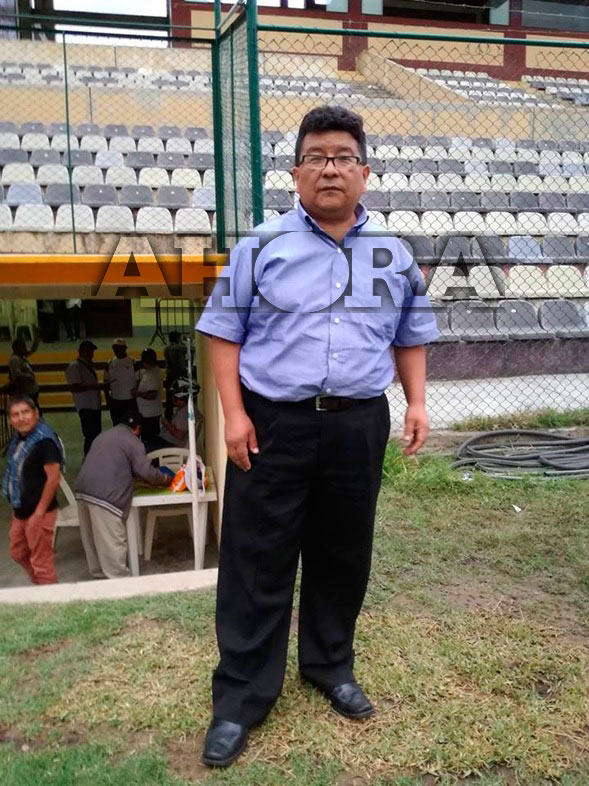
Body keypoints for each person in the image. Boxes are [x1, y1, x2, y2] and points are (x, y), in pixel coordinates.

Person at [196, 105, 439, 767]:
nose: (330, 168)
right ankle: (241, 696)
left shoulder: (393, 254)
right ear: (296, 171)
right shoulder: (260, 247)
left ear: (365, 172)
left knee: (342, 550)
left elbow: (410, 336)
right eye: (316, 157)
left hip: (358, 423)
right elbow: (222, 334)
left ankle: (329, 664)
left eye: (342, 157)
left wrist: (417, 402)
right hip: (272, 423)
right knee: (256, 556)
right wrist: (234, 415)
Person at [74, 410, 171, 579]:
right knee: (112, 547)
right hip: (105, 497)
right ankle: (121, 586)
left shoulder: (103, 436)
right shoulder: (132, 441)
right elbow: (146, 472)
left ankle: (99, 580)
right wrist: (165, 479)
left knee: (93, 543)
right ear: (137, 429)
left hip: (83, 490)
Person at [2, 396, 64, 585]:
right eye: (15, 414)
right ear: (10, 420)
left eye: (25, 412)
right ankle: (41, 588)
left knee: (41, 563)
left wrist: (38, 514)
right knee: (18, 552)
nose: (21, 418)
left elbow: (54, 478)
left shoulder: (45, 441)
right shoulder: (18, 440)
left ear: (36, 413)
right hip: (21, 511)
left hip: (39, 513)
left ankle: (49, 597)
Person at [144, 377, 202, 452]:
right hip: (168, 442)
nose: (173, 399)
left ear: (183, 397)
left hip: (171, 446)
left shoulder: (185, 412)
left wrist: (166, 424)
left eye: (175, 397)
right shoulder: (190, 408)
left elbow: (179, 435)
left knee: (142, 447)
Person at [65, 339, 102, 456]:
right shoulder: (75, 367)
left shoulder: (89, 365)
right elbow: (74, 387)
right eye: (90, 351)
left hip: (93, 405)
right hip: (86, 406)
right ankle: (89, 457)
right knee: (90, 435)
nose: (92, 354)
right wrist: (93, 387)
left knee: (96, 434)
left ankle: (94, 456)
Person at [104, 338, 137, 426]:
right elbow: (106, 383)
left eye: (119, 348)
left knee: (131, 425)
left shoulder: (133, 362)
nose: (117, 350)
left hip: (130, 400)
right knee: (117, 424)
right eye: (115, 348)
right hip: (116, 400)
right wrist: (107, 399)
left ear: (125, 348)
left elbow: (138, 379)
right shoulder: (109, 363)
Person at [132, 347, 162, 441]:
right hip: (150, 412)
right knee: (151, 439)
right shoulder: (154, 371)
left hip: (149, 414)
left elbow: (152, 395)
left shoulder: (151, 374)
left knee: (149, 441)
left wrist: (137, 393)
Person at [8, 338, 39, 409]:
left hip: (30, 391)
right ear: (17, 348)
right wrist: (29, 377)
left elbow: (31, 351)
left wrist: (36, 340)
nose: (25, 348)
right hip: (25, 391)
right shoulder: (15, 359)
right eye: (23, 346)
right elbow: (17, 374)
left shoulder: (20, 357)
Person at [163, 331, 188, 420]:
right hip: (179, 375)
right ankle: (181, 416)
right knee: (181, 397)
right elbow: (188, 349)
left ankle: (168, 417)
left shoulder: (166, 348)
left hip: (170, 375)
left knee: (169, 399)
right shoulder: (180, 348)